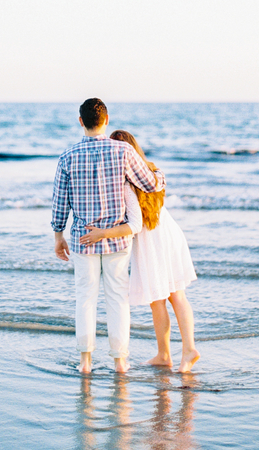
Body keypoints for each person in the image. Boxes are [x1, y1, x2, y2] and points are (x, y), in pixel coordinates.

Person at [51, 99, 165, 374]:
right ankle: (120, 362)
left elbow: (59, 202)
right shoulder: (123, 151)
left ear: (81, 121)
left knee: (85, 298)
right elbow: (150, 183)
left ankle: (85, 362)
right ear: (107, 120)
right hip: (117, 239)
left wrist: (58, 235)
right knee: (117, 299)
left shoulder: (68, 156)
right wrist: (159, 173)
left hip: (83, 238)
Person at [80, 130, 199, 373]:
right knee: (178, 295)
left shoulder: (126, 182)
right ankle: (184, 350)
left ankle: (168, 354)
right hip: (170, 233)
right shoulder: (152, 171)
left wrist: (101, 232)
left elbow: (133, 224)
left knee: (158, 301)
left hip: (151, 241)